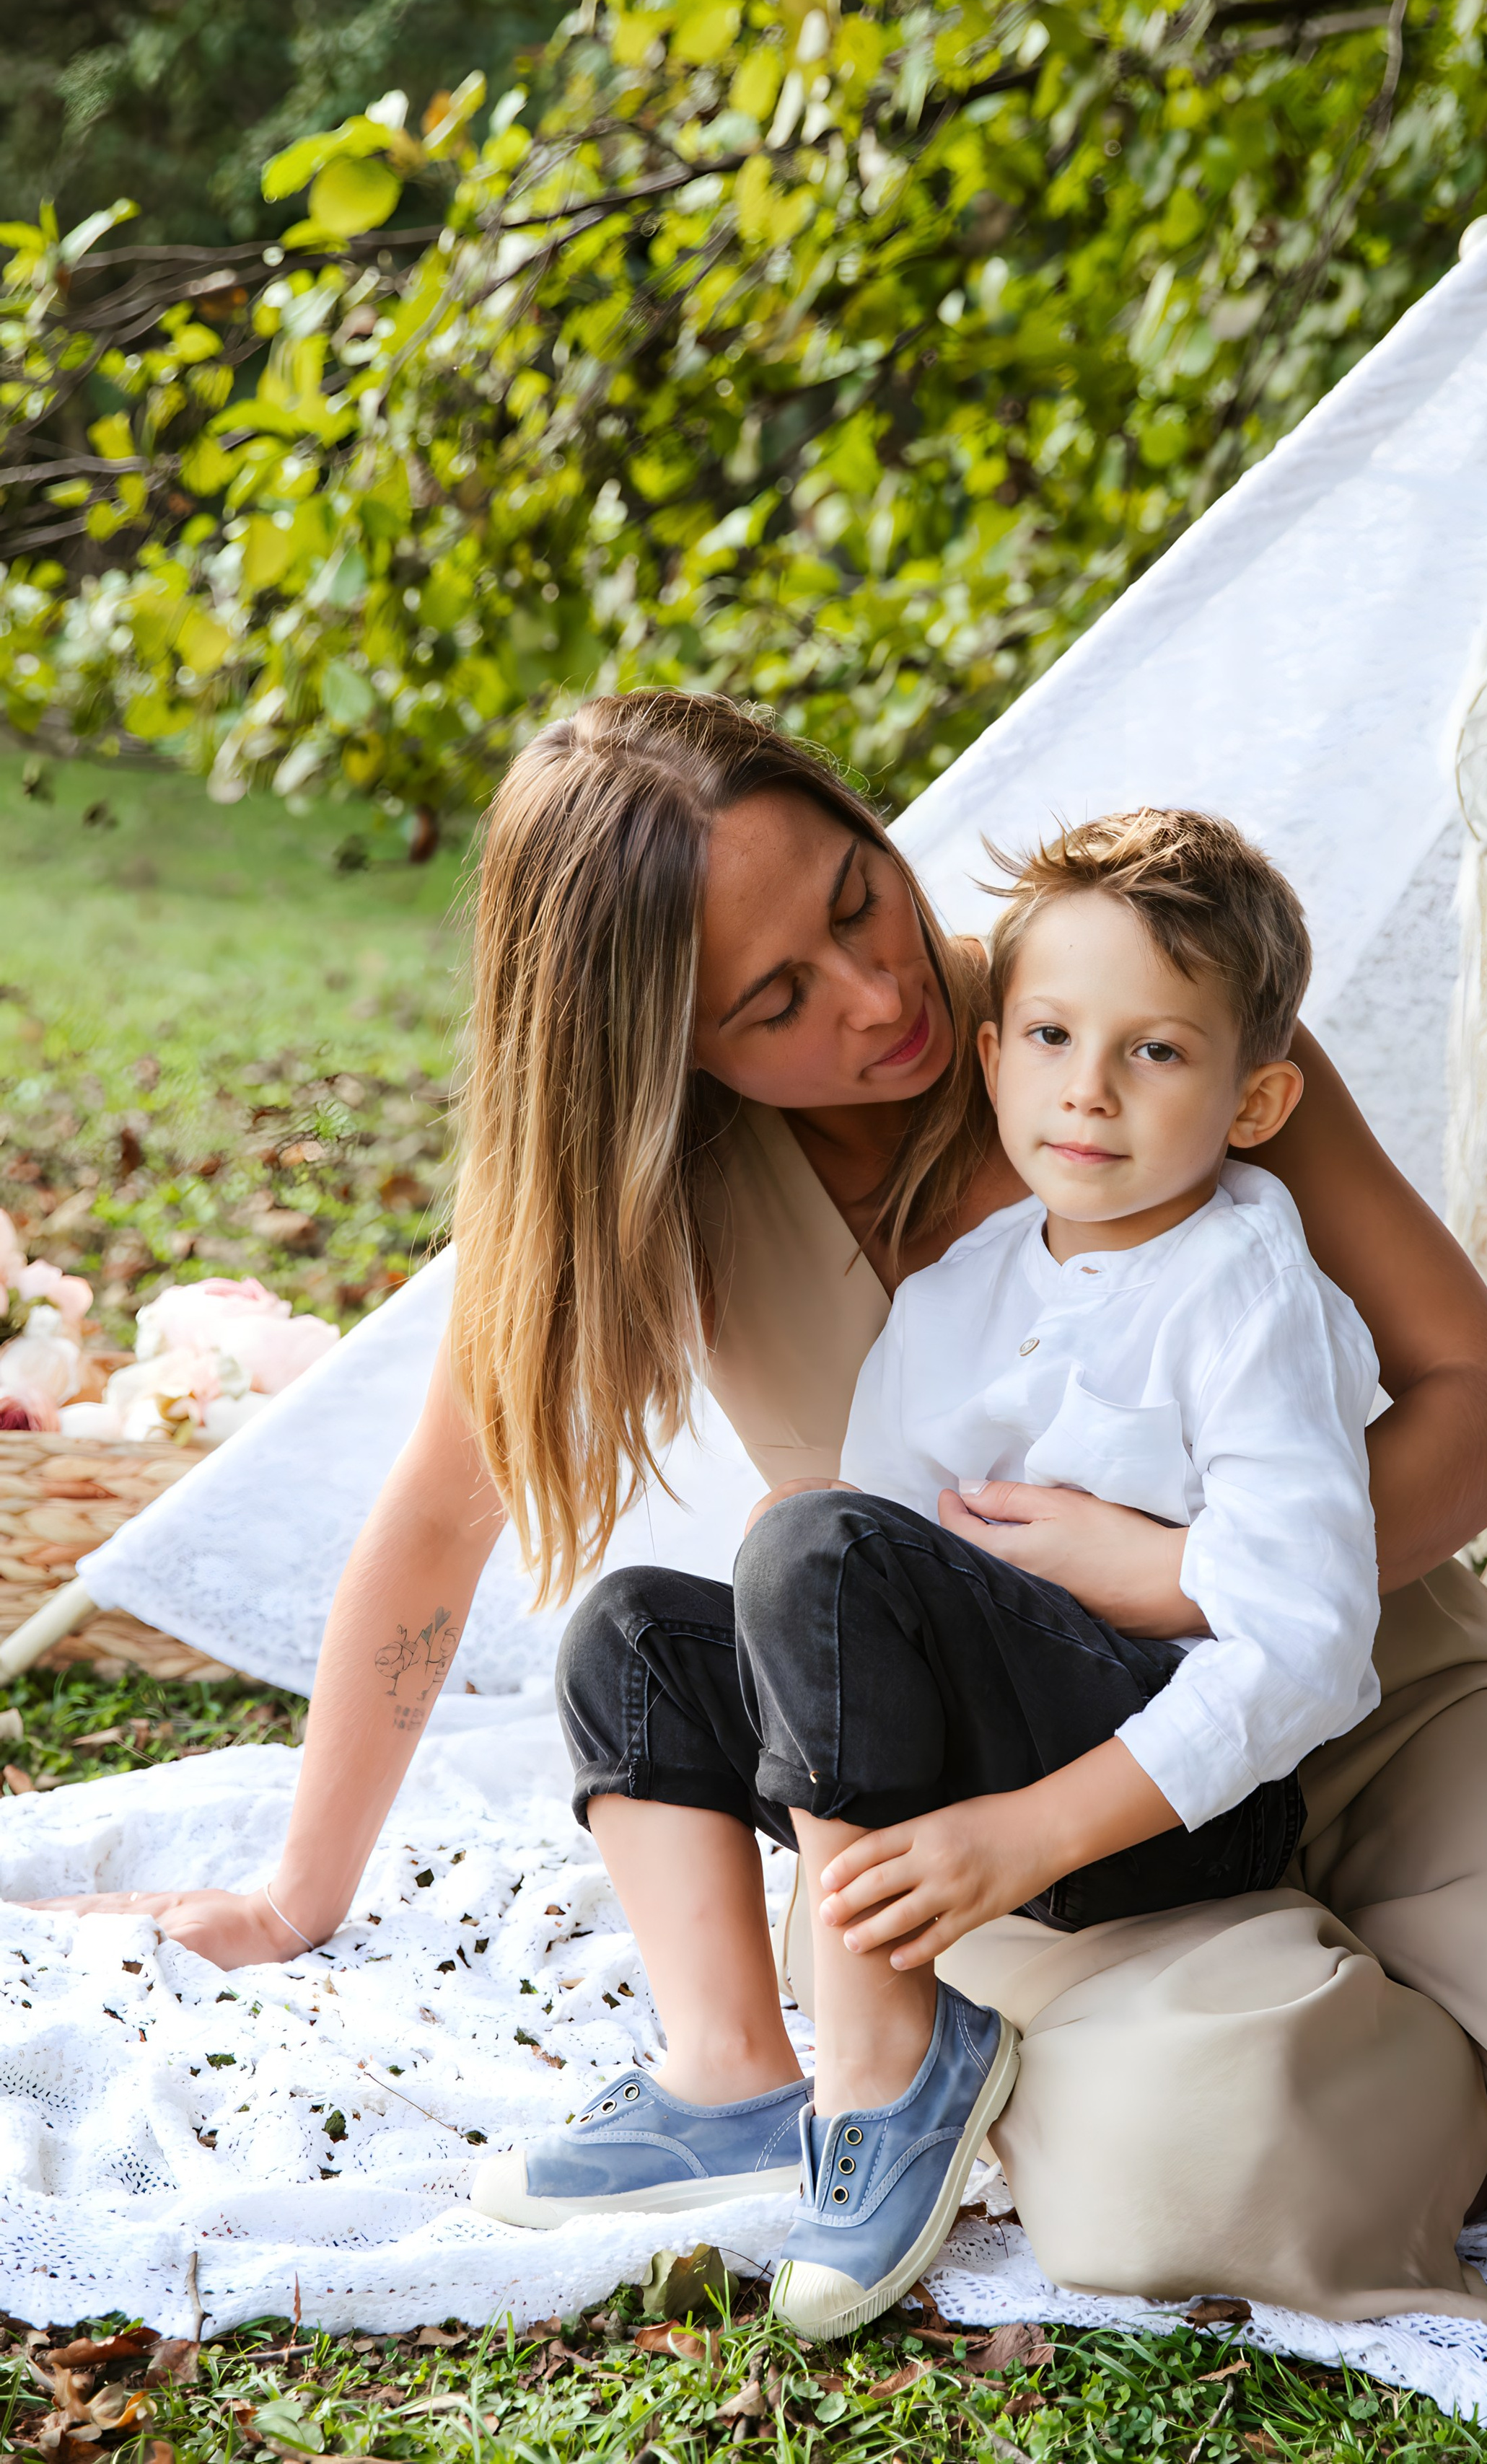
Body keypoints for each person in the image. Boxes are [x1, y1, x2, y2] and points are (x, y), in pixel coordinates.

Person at [50, 692, 1487, 2344]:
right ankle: (1465, 2050)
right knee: (1197, 2175)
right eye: (774, 1002)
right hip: (1021, 1819)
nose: (876, 995)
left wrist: (1188, 1582)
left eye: (856, 895)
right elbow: (438, 1531)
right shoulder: (649, 1192)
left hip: (1374, 1703)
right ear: (656, 1054)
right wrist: (301, 1890)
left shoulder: (1131, 1009)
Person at [481, 806, 1382, 2343]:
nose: (1086, 1090)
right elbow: (853, 1584)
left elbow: (1306, 1639)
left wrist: (1029, 1827)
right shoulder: (963, 1289)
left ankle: (891, 2068)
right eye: (1048, 1035)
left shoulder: (1245, 1287)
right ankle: (734, 2073)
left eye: (1154, 1052)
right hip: (972, 1759)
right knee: (631, 1629)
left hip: (1155, 1801)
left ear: (1257, 1097)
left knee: (810, 1536)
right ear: (992, 1056)